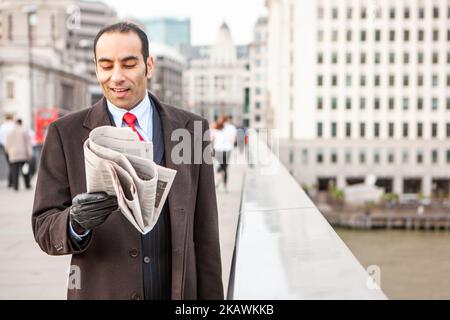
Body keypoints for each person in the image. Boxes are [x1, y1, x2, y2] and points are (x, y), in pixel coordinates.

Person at [32, 22, 223, 300]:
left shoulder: (192, 129)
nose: (117, 77)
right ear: (96, 67)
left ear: (149, 65)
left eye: (129, 64)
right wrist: (75, 222)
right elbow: (44, 226)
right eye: (106, 66)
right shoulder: (65, 134)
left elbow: (206, 234)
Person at [5, 119, 32, 191]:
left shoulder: (10, 132)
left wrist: (8, 152)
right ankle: (27, 185)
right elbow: (28, 144)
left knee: (14, 170)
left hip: (13, 154)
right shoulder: (24, 131)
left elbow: (7, 145)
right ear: (21, 123)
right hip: (23, 154)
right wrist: (30, 154)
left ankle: (15, 186)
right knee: (25, 170)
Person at [212, 115, 235, 191]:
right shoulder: (231, 128)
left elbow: (211, 139)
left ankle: (218, 181)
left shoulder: (216, 127)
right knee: (224, 168)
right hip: (227, 150)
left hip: (218, 150)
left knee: (219, 167)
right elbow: (233, 140)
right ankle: (225, 185)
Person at [0, 113, 15, 187]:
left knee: (10, 165)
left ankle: (10, 182)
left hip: (5, 148)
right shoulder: (14, 126)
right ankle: (12, 181)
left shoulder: (2, 127)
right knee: (13, 165)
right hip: (14, 148)